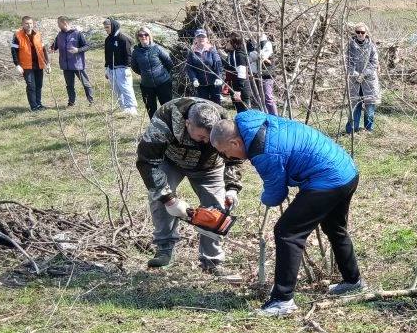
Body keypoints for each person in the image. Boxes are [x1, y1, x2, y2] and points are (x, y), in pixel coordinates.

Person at [209, 111, 365, 316]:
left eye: (224, 152)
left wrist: (261, 199)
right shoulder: (250, 120)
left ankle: (283, 300)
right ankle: (353, 281)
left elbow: (275, 195)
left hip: (329, 178)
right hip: (346, 169)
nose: (227, 157)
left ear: (235, 143)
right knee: (334, 228)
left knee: (287, 232)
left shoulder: (262, 151)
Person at [135, 97, 244, 280]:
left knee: (217, 208)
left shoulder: (225, 121)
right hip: (172, 162)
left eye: (209, 138)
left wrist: (232, 187)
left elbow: (234, 157)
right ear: (187, 123)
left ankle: (212, 260)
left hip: (210, 167)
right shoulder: (166, 117)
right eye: (201, 137)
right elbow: (147, 161)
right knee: (159, 199)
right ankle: (164, 250)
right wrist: (168, 198)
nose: (204, 142)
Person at [129, 26, 174, 118]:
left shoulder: (157, 48)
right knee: (151, 110)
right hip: (147, 86)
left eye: (146, 34)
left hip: (163, 83)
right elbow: (134, 67)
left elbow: (169, 63)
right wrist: (145, 74)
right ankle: (155, 129)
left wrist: (163, 74)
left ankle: (171, 128)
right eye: (140, 35)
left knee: (167, 108)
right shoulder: (136, 52)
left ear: (149, 36)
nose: (143, 36)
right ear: (138, 37)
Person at [50, 16, 93, 107]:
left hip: (78, 65)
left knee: (85, 83)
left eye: (59, 23)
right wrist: (52, 49)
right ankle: (71, 102)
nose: (58, 25)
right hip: (65, 66)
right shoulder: (59, 35)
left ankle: (91, 101)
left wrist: (77, 50)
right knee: (69, 85)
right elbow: (55, 46)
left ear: (65, 23)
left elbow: (87, 46)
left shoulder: (77, 34)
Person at [345, 22, 380, 133]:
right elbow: (347, 62)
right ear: (355, 33)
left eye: (362, 32)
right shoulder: (350, 46)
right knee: (355, 106)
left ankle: (368, 130)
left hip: (369, 81)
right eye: (358, 32)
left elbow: (374, 62)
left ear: (366, 33)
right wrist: (355, 74)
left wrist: (364, 74)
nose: (360, 34)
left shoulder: (371, 46)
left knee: (370, 107)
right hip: (355, 82)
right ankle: (351, 131)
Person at [11, 16, 50, 111]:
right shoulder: (17, 36)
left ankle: (39, 104)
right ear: (22, 24)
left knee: (39, 85)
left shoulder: (38, 34)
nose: (29, 25)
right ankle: (34, 107)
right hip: (26, 66)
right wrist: (17, 65)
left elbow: (43, 49)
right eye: (26, 23)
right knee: (31, 86)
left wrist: (47, 63)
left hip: (39, 64)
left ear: (33, 24)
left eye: (30, 23)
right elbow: (14, 51)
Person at [103, 18, 138, 115]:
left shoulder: (123, 38)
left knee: (126, 88)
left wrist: (127, 68)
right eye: (105, 28)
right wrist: (107, 69)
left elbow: (128, 55)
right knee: (116, 89)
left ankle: (132, 108)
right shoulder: (108, 39)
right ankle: (123, 108)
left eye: (107, 27)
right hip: (111, 69)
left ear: (113, 26)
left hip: (122, 68)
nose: (106, 29)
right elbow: (107, 55)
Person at [186, 29, 224, 105]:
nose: (201, 38)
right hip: (201, 84)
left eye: (203, 37)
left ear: (206, 39)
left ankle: (219, 117)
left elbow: (218, 64)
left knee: (216, 103)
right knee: (203, 104)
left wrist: (219, 77)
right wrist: (194, 79)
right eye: (199, 37)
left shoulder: (211, 50)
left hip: (214, 83)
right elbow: (190, 67)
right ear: (195, 39)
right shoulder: (192, 52)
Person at [224, 32, 254, 113]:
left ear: (234, 43)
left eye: (228, 41)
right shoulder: (231, 54)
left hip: (242, 90)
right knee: (239, 111)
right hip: (234, 87)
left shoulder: (239, 55)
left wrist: (238, 91)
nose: (226, 43)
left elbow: (242, 74)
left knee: (245, 113)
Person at [249, 32, 278, 115]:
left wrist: (257, 56)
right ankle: (262, 116)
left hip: (266, 75)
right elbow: (249, 57)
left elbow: (262, 56)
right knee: (257, 97)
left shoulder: (267, 44)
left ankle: (275, 117)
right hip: (255, 74)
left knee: (268, 97)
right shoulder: (251, 44)